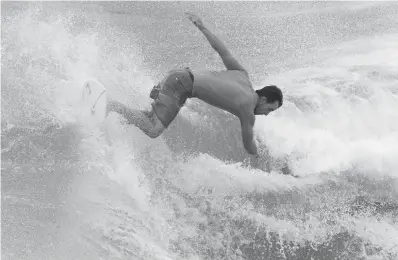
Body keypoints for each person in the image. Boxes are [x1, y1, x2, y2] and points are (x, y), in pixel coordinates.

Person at [107, 12, 283, 158]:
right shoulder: (247, 109)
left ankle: (113, 118)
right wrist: (265, 160)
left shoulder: (243, 75)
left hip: (177, 74)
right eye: (270, 109)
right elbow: (248, 145)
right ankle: (112, 105)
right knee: (154, 130)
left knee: (150, 118)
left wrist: (202, 26)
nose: (266, 114)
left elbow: (222, 50)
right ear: (264, 99)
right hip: (181, 85)